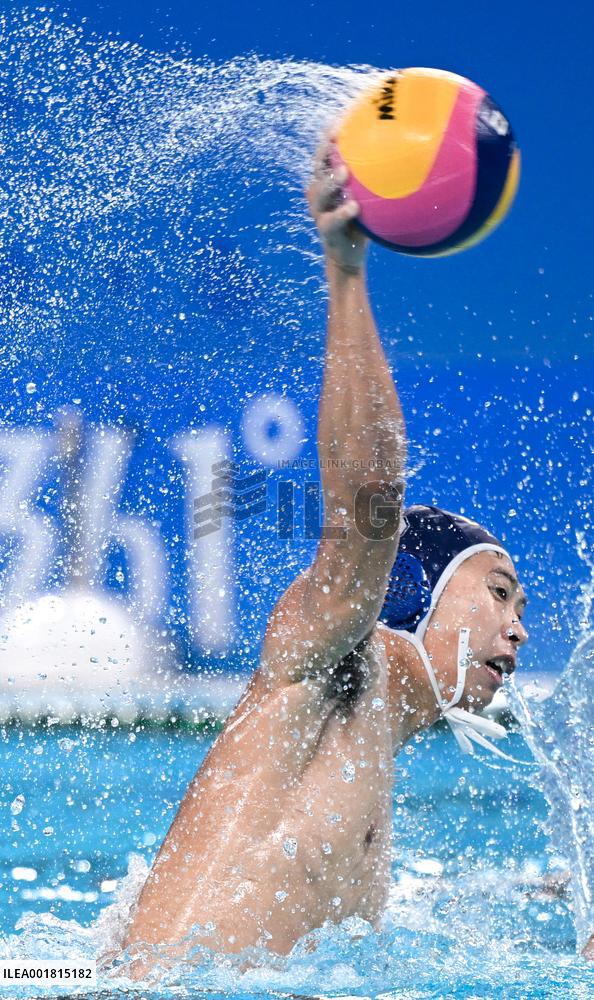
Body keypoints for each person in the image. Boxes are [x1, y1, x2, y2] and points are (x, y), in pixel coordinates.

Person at [122, 138, 528, 962]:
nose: (518, 629)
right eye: (497, 591)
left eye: (522, 608)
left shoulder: (377, 751)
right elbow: (368, 504)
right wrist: (346, 272)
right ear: (412, 586)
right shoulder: (335, 665)